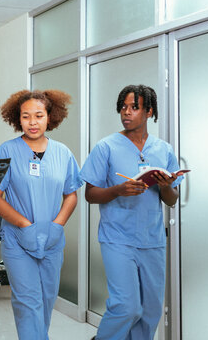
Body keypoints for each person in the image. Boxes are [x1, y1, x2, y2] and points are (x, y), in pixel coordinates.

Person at [80, 85, 184, 340]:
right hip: (117, 238)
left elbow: (171, 200)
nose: (126, 112)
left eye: (134, 107)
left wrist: (165, 186)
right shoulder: (106, 147)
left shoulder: (163, 150)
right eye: (123, 107)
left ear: (149, 112)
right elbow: (90, 194)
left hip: (152, 240)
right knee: (126, 306)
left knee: (150, 311)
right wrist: (118, 190)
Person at [0, 90, 82, 339]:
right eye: (26, 116)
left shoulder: (63, 153)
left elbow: (71, 194)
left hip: (51, 241)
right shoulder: (6, 151)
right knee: (27, 303)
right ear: (17, 119)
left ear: (49, 117)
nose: (32, 122)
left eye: (38, 115)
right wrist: (24, 224)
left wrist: (57, 226)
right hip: (18, 241)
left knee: (46, 300)